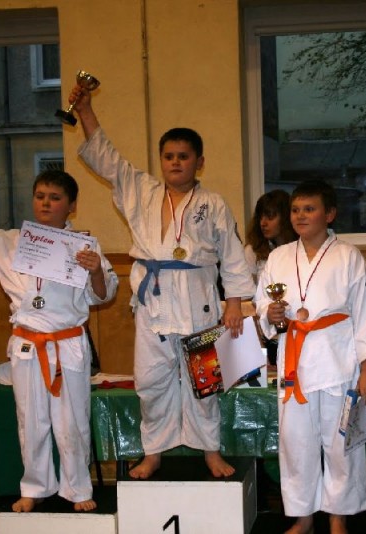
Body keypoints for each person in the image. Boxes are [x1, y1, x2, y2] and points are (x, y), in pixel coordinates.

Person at [70, 82, 255, 480]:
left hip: (199, 300)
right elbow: (107, 159)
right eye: (168, 156)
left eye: (183, 157)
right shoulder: (142, 191)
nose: (175, 162)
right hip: (153, 303)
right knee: (152, 380)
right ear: (161, 160)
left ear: (199, 162)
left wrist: (234, 303)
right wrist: (84, 111)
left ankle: (210, 449)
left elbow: (232, 255)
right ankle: (153, 451)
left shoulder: (213, 204)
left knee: (204, 380)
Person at [0, 168, 118, 513]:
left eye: (55, 198)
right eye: (40, 196)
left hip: (67, 343)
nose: (46, 203)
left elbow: (103, 296)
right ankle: (35, 487)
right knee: (31, 421)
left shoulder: (84, 248)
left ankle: (77, 488)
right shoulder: (11, 242)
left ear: (71, 206)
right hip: (28, 344)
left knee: (72, 421)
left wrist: (95, 271)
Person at [255, 179, 366, 534]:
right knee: (296, 444)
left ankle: (338, 517)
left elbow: (365, 313)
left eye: (309, 209)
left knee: (341, 444)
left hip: (338, 360)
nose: (300, 216)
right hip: (294, 362)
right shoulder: (279, 257)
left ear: (330, 214)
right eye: (295, 210)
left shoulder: (348, 256)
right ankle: (303, 516)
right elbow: (263, 302)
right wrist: (270, 314)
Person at [244, 189, 297, 284]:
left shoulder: (301, 248)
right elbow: (248, 290)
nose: (263, 223)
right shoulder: (253, 250)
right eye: (260, 217)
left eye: (270, 216)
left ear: (286, 218)